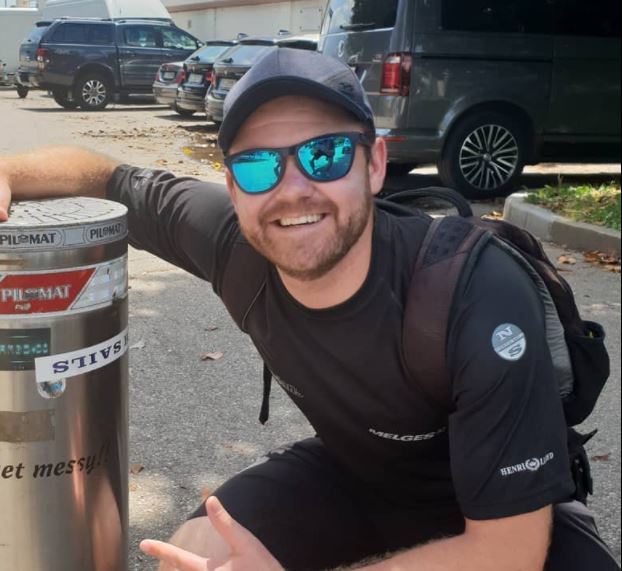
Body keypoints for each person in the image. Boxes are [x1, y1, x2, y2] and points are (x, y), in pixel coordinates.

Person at [0, 49, 618, 571]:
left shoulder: (473, 291)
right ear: (234, 187)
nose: (293, 189)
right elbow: (101, 174)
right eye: (258, 165)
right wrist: (5, 169)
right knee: (196, 556)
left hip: (502, 512)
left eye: (326, 155)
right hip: (360, 476)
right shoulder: (230, 241)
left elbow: (507, 552)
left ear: (375, 165)